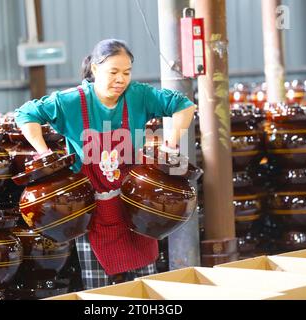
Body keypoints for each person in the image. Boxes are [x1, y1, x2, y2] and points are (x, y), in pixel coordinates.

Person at [14, 39, 196, 289]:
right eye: (113, 72)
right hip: (91, 208)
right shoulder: (71, 102)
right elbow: (25, 114)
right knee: (98, 288)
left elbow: (184, 106)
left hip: (136, 203)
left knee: (146, 284)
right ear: (95, 70)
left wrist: (170, 144)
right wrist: (45, 154)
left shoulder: (139, 95)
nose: (121, 79)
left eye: (126, 72)